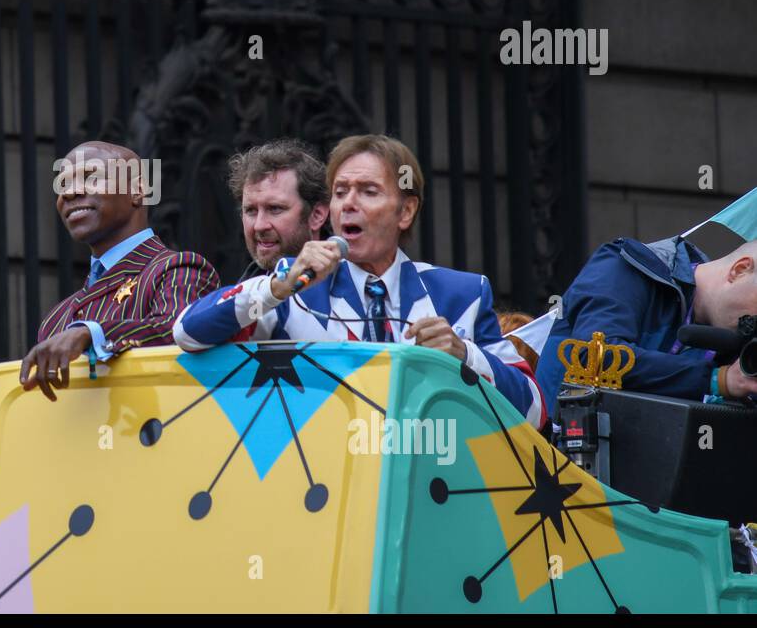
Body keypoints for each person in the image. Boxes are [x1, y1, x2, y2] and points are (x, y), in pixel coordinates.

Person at [174, 134, 547, 427]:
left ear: (406, 210)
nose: (348, 204)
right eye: (340, 192)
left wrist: (465, 355)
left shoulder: (461, 293)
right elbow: (188, 332)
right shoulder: (293, 289)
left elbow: (533, 410)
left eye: (368, 191)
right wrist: (274, 288)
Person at [0, 140, 221, 410]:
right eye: (63, 183)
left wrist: (89, 334)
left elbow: (180, 331)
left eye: (90, 177)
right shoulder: (57, 317)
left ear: (138, 190)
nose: (69, 192)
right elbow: (45, 407)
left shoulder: (178, 269)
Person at [536, 235, 757, 402]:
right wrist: (718, 379)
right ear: (739, 270)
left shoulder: (734, 343)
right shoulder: (625, 266)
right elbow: (595, 357)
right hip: (556, 452)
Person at [228, 138, 330, 279]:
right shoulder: (238, 299)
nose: (259, 226)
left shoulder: (359, 290)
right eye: (251, 211)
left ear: (317, 215)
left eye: (275, 209)